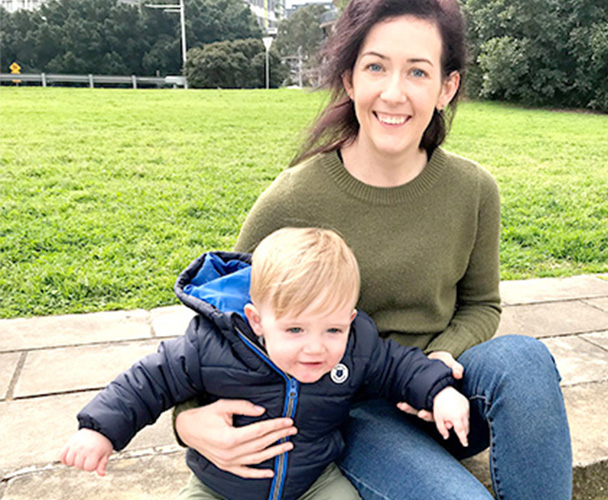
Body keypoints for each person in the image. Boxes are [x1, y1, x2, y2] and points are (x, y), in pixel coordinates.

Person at [174, 0, 574, 498]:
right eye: (376, 67)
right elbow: (226, 318)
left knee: (524, 359)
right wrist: (187, 421)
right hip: (351, 409)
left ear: (446, 87)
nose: (393, 92)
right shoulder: (294, 198)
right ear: (350, 79)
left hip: (446, 395)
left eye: (418, 72)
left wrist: (439, 361)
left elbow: (481, 305)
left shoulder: (474, 190)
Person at [60, 227, 471, 500]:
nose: (316, 349)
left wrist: (440, 391)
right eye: (295, 331)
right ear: (258, 320)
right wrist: (100, 430)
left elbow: (399, 366)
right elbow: (148, 381)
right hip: (219, 487)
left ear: (349, 319)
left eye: (332, 330)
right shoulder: (213, 345)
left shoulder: (358, 343)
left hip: (313, 483)